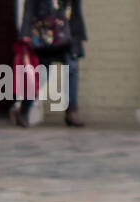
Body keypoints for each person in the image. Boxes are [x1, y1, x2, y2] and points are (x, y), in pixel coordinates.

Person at [9, 0, 86, 128]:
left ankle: (71, 111)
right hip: (44, 35)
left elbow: (76, 11)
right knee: (43, 74)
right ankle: (24, 109)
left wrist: (80, 36)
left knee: (72, 68)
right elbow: (29, 9)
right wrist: (25, 33)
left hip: (67, 34)